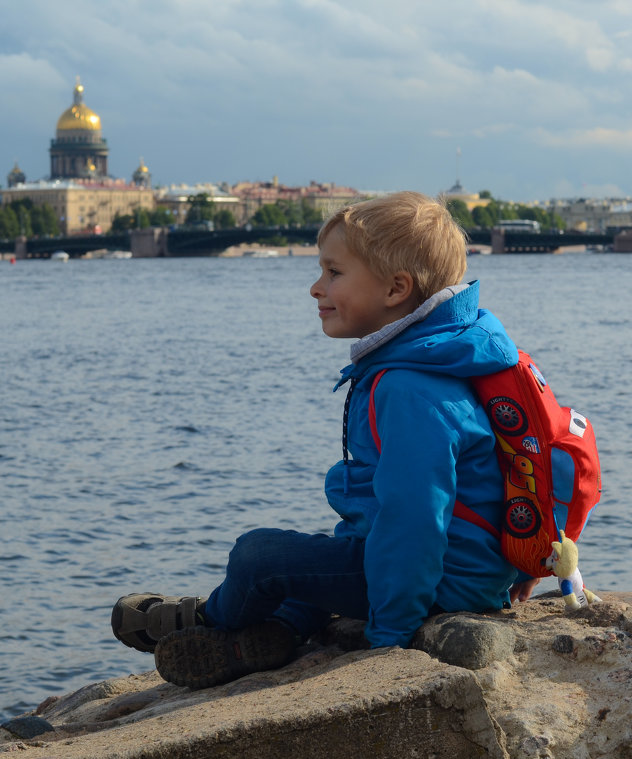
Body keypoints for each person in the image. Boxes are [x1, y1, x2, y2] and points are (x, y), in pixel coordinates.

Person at [111, 191, 538, 689]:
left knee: (259, 557)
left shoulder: (407, 388)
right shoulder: (440, 356)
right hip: (465, 569)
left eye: (334, 273)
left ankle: (209, 618)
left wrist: (392, 635)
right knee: (326, 560)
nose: (317, 288)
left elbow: (414, 521)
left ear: (396, 289)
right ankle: (275, 634)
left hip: (443, 581)